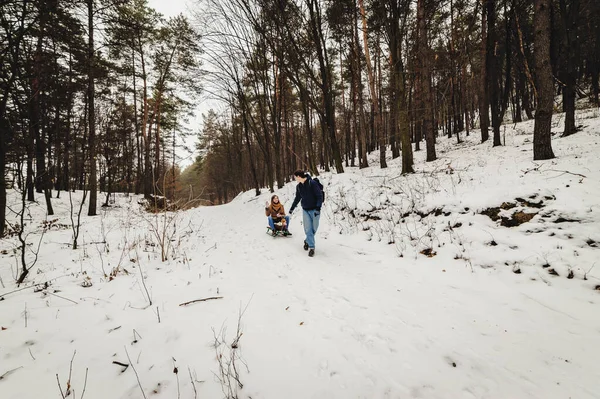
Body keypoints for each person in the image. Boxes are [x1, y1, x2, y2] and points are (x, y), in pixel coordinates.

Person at [288, 170, 323, 257]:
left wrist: (318, 208)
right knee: (308, 229)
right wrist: (291, 209)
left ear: (299, 176)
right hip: (305, 210)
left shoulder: (312, 183)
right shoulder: (299, 187)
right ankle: (311, 248)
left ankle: (307, 240)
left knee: (314, 228)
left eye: (295, 177)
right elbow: (297, 199)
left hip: (315, 209)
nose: (295, 178)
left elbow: (319, 196)